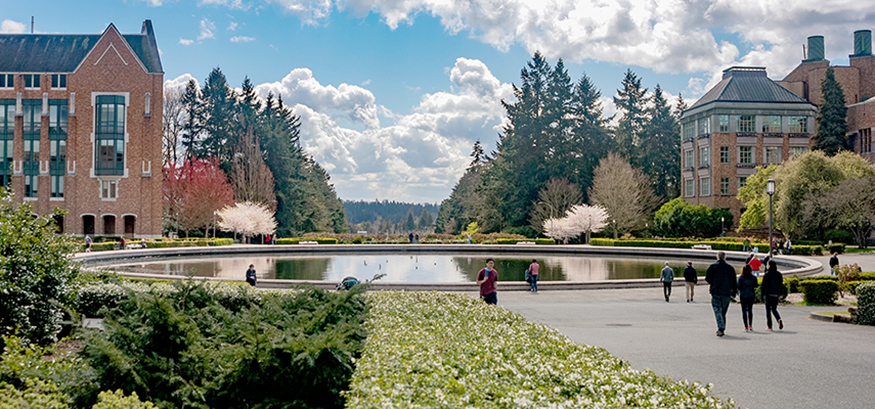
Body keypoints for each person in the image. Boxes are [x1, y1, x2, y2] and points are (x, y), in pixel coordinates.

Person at [705, 251, 738, 337]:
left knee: (717, 309)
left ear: (717, 257)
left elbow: (707, 278)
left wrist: (713, 283)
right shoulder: (730, 268)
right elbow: (734, 281)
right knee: (723, 311)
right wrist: (734, 292)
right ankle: (721, 327)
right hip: (726, 292)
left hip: (716, 291)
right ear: (725, 258)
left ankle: (721, 328)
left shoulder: (713, 267)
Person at [761, 260, 784, 330]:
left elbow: (763, 285)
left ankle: (769, 326)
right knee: (774, 309)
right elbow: (781, 284)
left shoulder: (767, 274)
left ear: (769, 266)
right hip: (776, 294)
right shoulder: (779, 274)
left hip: (768, 294)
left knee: (768, 310)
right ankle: (778, 319)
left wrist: (762, 294)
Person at [737, 264, 758, 332]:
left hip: (743, 295)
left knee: (744, 311)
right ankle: (750, 325)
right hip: (751, 295)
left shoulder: (741, 278)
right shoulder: (753, 278)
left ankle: (746, 326)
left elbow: (738, 287)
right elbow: (756, 285)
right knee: (750, 310)